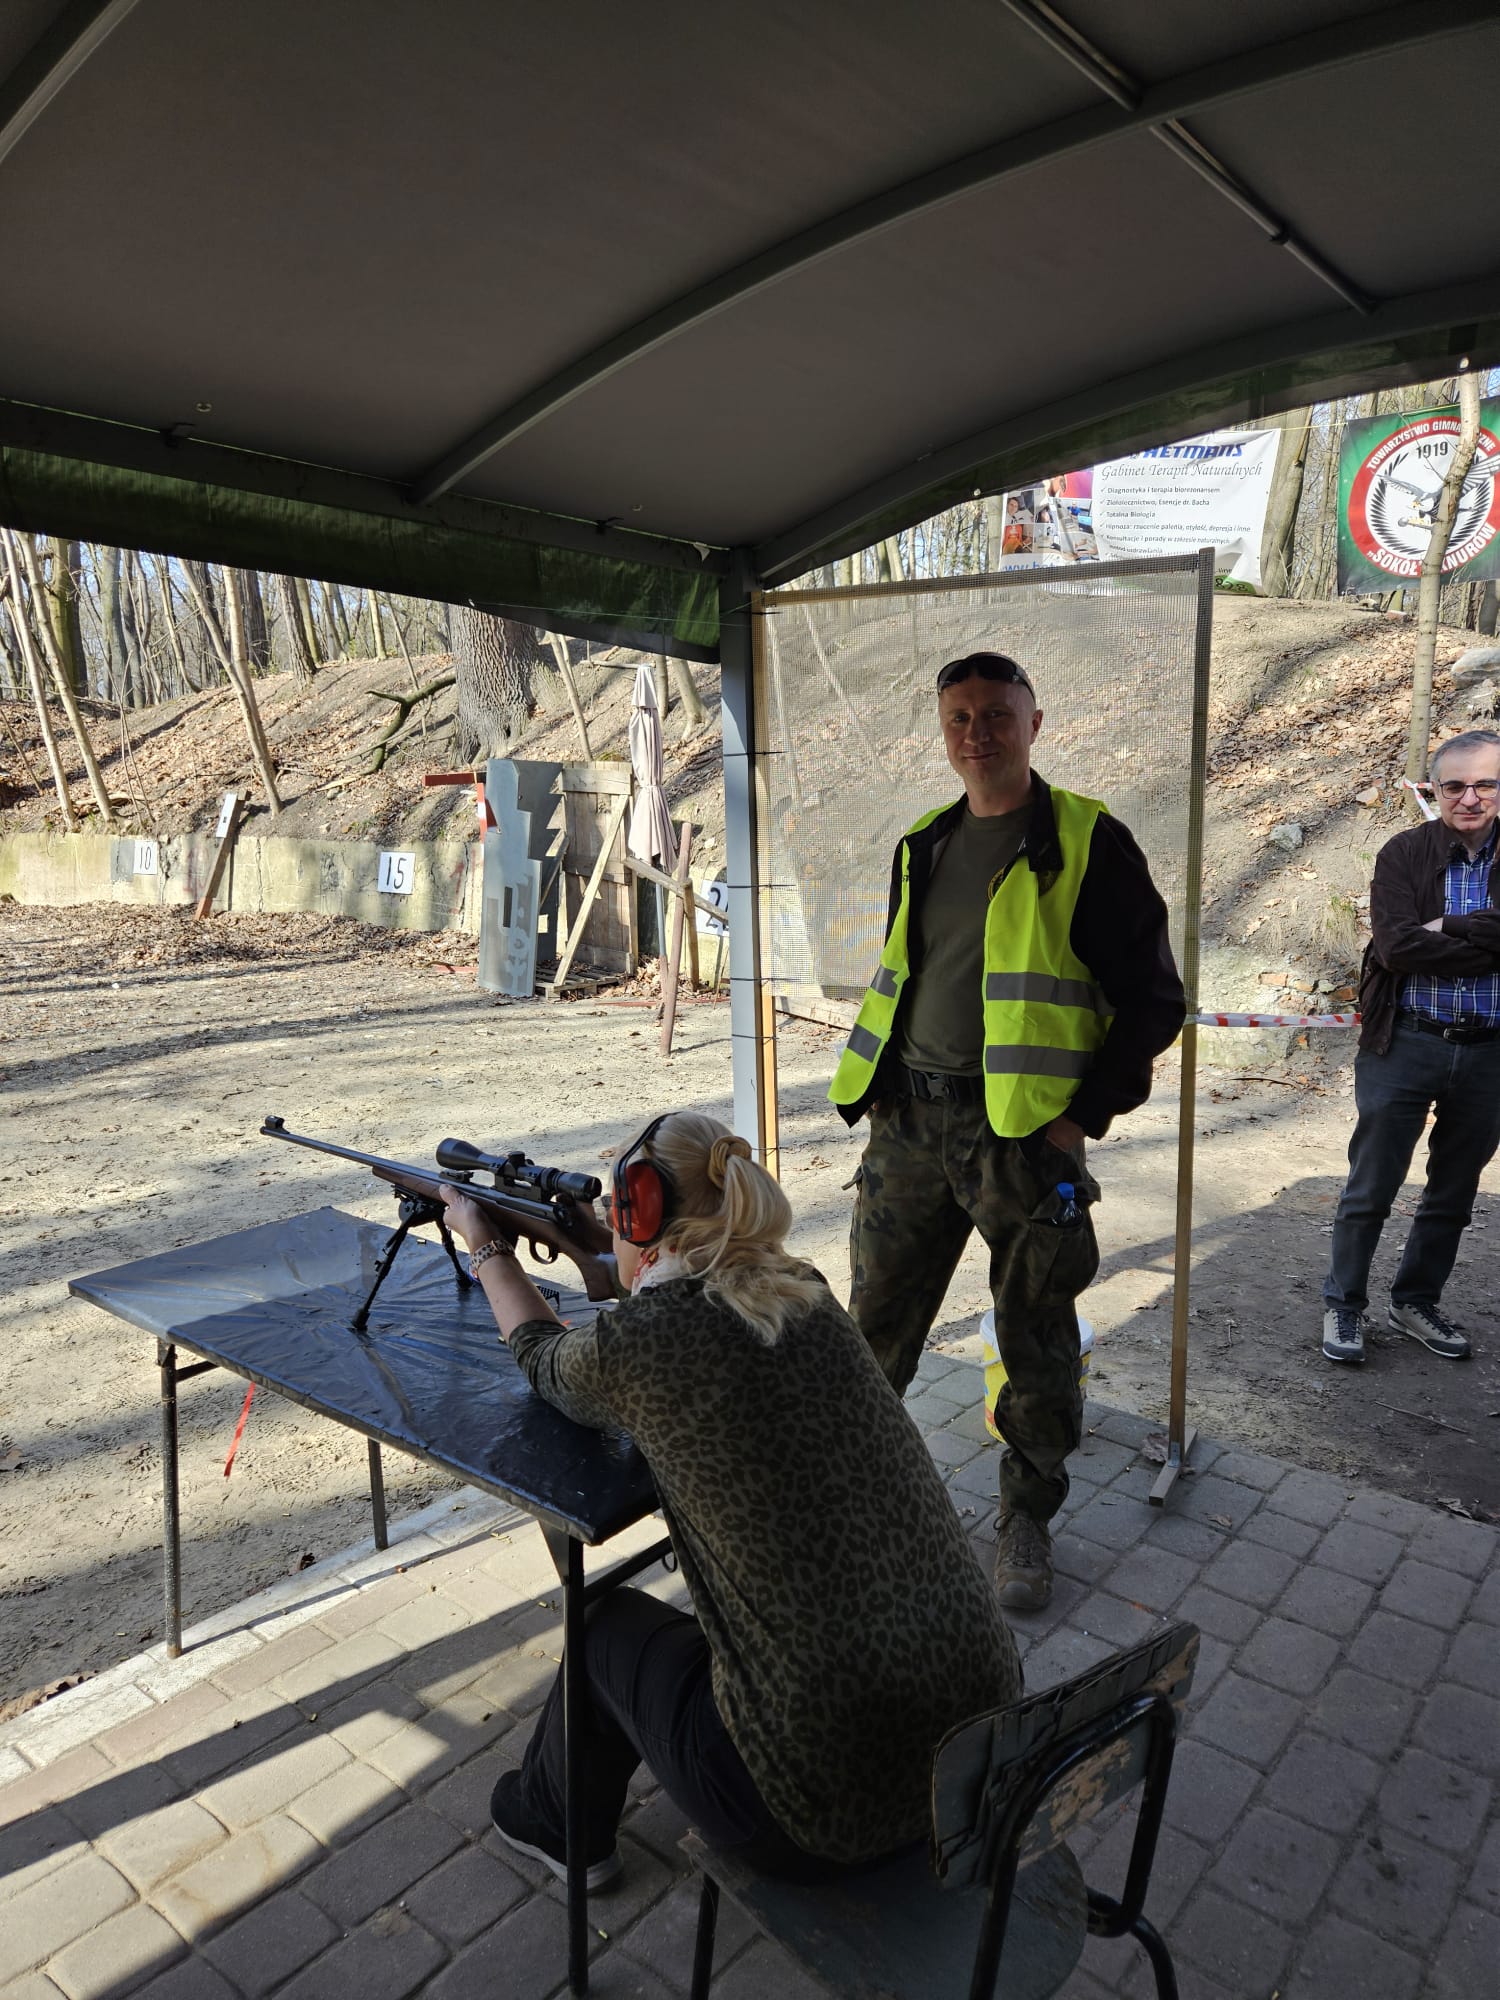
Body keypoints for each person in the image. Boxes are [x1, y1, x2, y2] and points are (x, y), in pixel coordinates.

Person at [441, 1110, 1020, 1890]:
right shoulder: (805, 1290)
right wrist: (602, 1248)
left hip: (818, 1811)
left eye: (619, 1211)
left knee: (605, 1625)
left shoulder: (645, 1344)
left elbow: (541, 1357)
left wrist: (484, 1242)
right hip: (981, 1750)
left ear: (640, 1213)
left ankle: (553, 1821)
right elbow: (694, 1306)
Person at [829, 653, 1185, 1611]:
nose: (976, 732)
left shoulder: (1088, 842)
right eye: (958, 717)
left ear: (1035, 723)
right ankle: (852, 1499)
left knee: (1034, 1333)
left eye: (995, 714)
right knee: (873, 1328)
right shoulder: (923, 842)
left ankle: (1026, 1517)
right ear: (943, 732)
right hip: (909, 1122)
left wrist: (1078, 1121)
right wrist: (887, 1096)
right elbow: (909, 974)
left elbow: (1153, 1002)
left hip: (1023, 1138)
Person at [1321, 728, 1500, 1367]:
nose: (1469, 798)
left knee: (1453, 1193)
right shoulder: (1403, 853)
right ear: (1435, 790)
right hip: (1405, 1041)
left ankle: (1415, 1301)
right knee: (1371, 1186)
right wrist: (1488, 944)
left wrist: (1448, 925)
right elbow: (1397, 947)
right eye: (1454, 786)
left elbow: (1421, 941)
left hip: (1489, 1055)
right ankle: (1344, 1304)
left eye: (1485, 784)